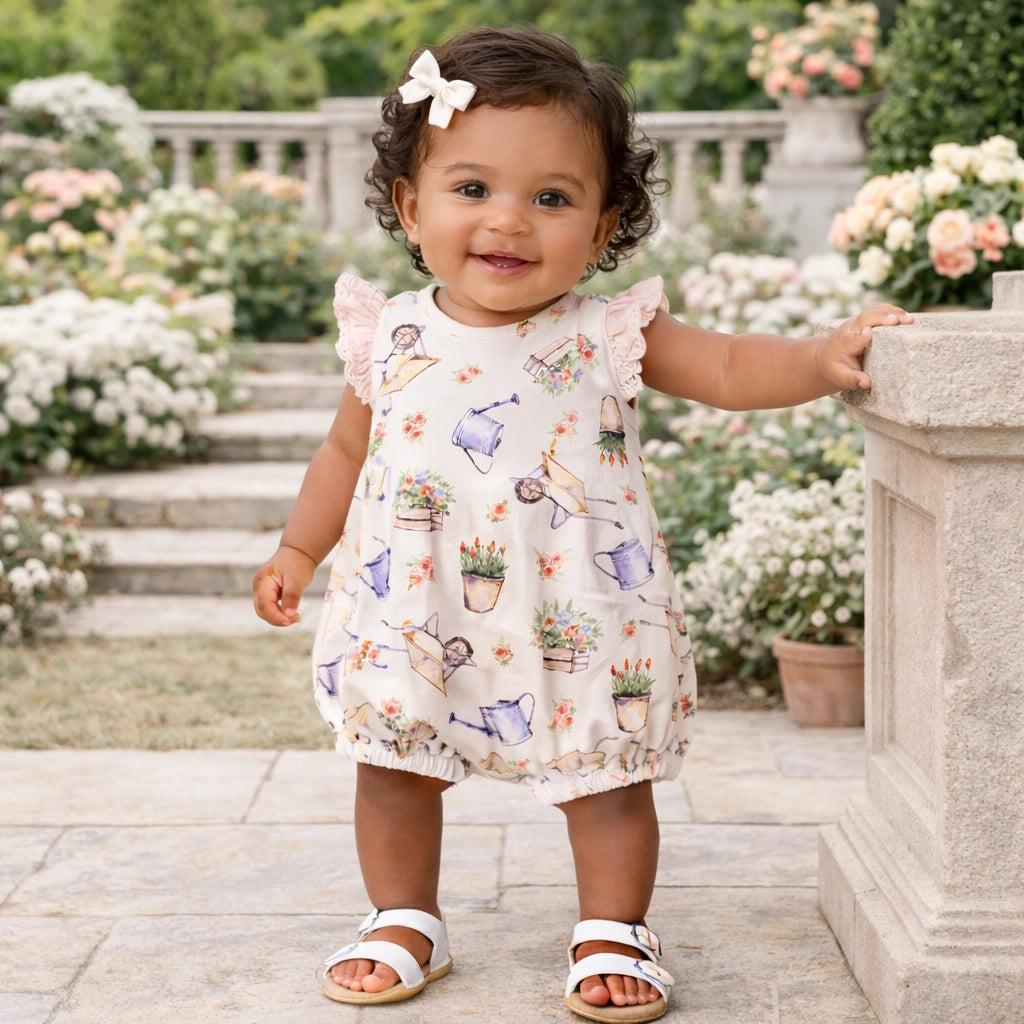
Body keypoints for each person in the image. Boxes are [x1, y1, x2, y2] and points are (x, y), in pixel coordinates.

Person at [252, 26, 912, 1023]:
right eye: (472, 188)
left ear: (602, 230)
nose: (507, 221)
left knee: (605, 775)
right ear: (410, 206)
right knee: (391, 765)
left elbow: (731, 366)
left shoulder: (606, 331)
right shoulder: (388, 334)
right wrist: (300, 547)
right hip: (415, 606)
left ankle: (612, 926)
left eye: (551, 198)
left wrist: (820, 357)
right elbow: (346, 453)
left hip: (580, 604)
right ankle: (403, 916)